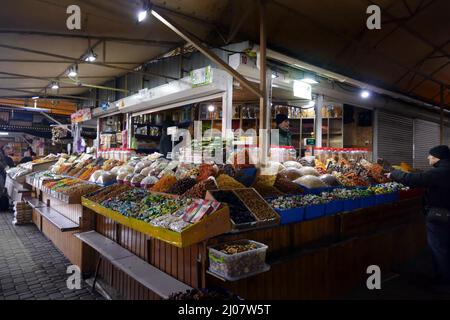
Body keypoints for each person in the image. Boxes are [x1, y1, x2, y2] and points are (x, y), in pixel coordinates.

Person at [388, 145, 450, 293]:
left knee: (439, 249)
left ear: (437, 157)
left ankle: (444, 284)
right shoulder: (443, 171)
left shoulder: (441, 172)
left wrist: (394, 174)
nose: (428, 158)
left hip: (440, 216)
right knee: (444, 247)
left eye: (430, 155)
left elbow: (414, 179)